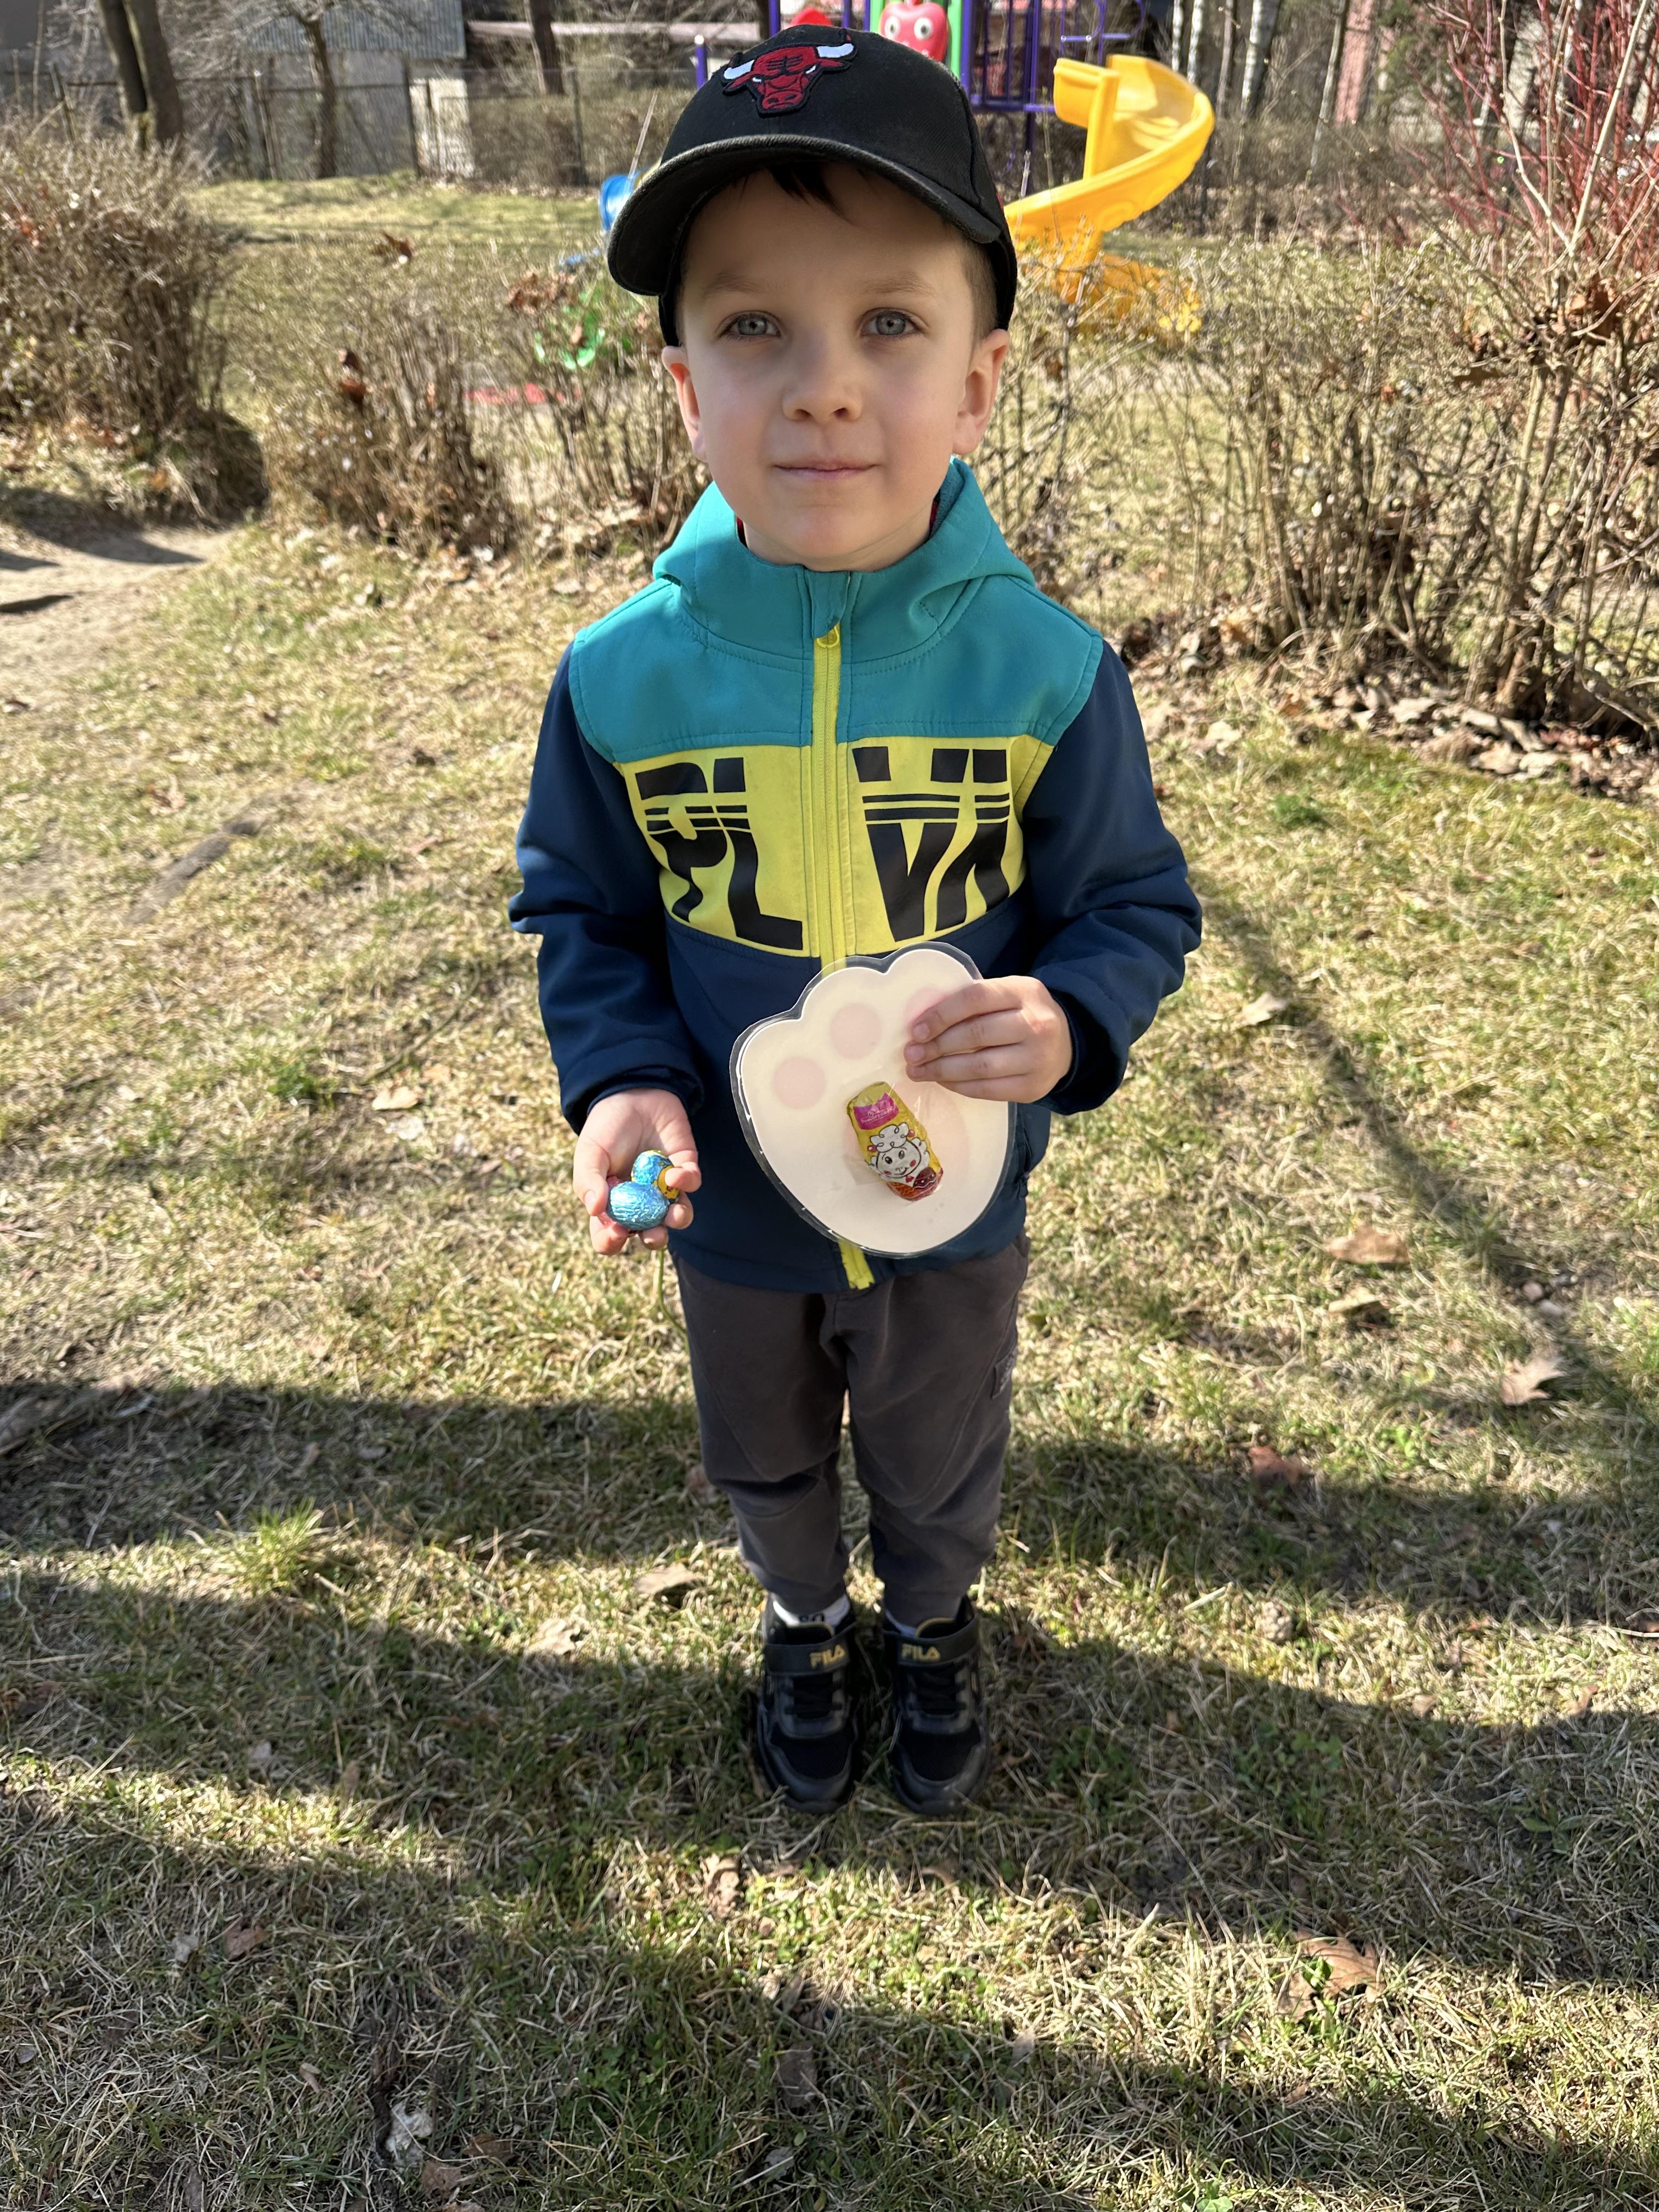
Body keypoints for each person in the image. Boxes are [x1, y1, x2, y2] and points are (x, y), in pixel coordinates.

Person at [511, 27, 1200, 1816]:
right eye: (758, 327)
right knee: (762, 1442)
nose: (824, 388)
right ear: (684, 386)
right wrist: (622, 1081)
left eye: (888, 324)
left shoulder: (1045, 673)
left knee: (936, 1440)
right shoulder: (619, 681)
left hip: (952, 1193)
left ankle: (932, 1619)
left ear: (978, 384)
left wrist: (1068, 1017)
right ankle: (807, 1620)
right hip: (734, 1203)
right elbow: (583, 911)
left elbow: (1132, 900)